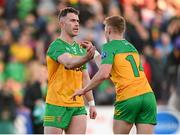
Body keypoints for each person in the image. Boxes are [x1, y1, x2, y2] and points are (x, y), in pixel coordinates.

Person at [71, 15, 157, 134]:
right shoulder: (131, 47)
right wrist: (94, 52)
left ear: (108, 30)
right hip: (148, 97)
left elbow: (104, 73)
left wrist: (84, 90)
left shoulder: (109, 46)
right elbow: (106, 66)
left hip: (129, 97)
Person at [44, 7, 97, 134]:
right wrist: (87, 56)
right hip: (56, 104)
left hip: (77, 105)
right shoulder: (56, 46)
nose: (77, 24)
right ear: (62, 24)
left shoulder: (80, 48)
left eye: (78, 21)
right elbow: (68, 63)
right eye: (72, 21)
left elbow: (84, 77)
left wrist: (91, 103)